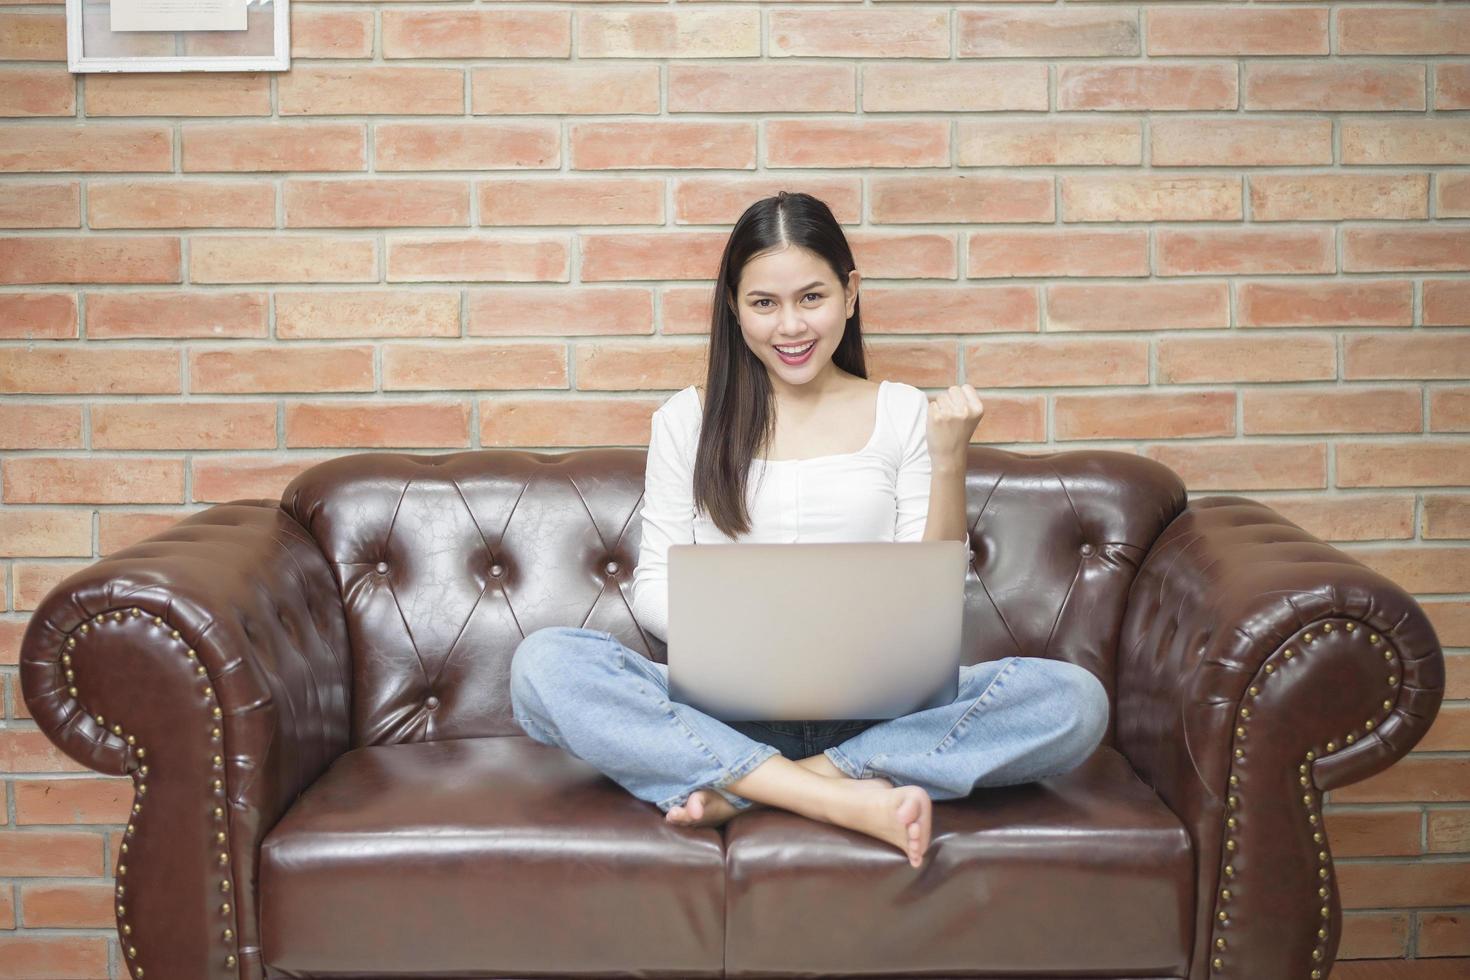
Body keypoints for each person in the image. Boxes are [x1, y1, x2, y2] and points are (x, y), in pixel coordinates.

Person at [510, 190, 1110, 869]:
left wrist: (949, 459)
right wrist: (744, 637)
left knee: (1074, 702)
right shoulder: (686, 420)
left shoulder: (903, 412)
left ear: (850, 295)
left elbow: (934, 594)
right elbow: (653, 583)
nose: (790, 327)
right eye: (764, 303)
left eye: (812, 298)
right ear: (733, 307)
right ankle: (840, 792)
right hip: (723, 708)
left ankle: (763, 786)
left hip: (878, 711)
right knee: (544, 666)